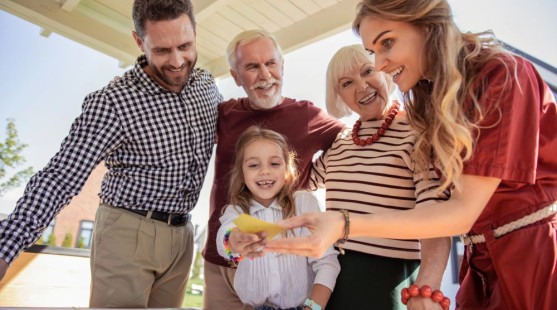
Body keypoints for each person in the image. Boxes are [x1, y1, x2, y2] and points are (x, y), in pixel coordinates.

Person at [265, 0, 557, 309]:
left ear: (427, 25)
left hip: (528, 261)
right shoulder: (422, 107)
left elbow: (456, 212)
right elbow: (296, 181)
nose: (379, 65)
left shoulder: (501, 76)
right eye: (373, 52)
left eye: (387, 43)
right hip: (478, 266)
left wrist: (345, 224)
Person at [0, 0, 222, 307]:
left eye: (185, 45)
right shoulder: (114, 102)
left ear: (195, 32)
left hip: (182, 237)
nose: (177, 60)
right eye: (161, 50)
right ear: (139, 41)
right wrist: (5, 247)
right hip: (128, 232)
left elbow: (238, 131)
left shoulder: (206, 86)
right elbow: (61, 176)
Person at [202, 30, 345, 310]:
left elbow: (352, 139)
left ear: (282, 66)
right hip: (222, 264)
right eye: (252, 67)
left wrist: (313, 178)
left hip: (289, 268)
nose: (265, 74)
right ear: (235, 76)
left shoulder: (307, 116)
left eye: (270, 63)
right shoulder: (224, 114)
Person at [308, 44, 451, 310]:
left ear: (385, 72)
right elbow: (300, 187)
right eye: (347, 83)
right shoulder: (340, 141)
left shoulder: (416, 131)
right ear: (339, 95)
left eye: (367, 71)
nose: (361, 86)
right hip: (331, 280)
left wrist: (428, 286)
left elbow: (437, 217)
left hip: (390, 282)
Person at [216, 126, 340, 310]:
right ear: (242, 173)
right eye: (253, 165)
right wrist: (233, 240)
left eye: (274, 164)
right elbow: (223, 241)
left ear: (287, 169)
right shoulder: (236, 212)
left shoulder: (304, 203)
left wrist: (313, 307)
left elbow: (327, 263)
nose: (265, 171)